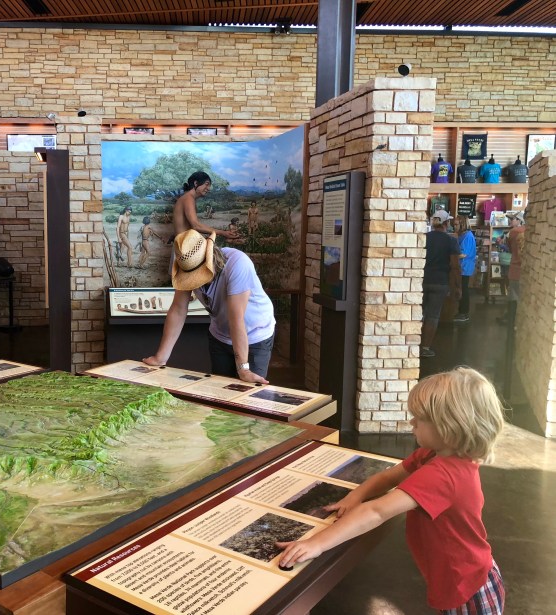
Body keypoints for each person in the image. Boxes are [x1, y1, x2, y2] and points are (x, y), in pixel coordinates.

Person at [276, 367, 506, 615]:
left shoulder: (443, 475)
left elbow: (377, 512)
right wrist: (356, 495)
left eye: (420, 418)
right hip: (463, 575)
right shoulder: (432, 454)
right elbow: (389, 476)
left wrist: (317, 544)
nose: (412, 422)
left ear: (449, 427)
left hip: (467, 585)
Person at [142, 229, 274, 383]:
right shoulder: (187, 262)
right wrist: (161, 357)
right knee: (220, 389)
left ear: (210, 258)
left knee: (247, 390)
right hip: (220, 334)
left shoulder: (238, 264)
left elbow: (236, 320)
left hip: (254, 334)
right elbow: (178, 309)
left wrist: (243, 369)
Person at [421, 210, 461, 358]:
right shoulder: (451, 241)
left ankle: (412, 345)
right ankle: (425, 348)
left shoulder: (424, 238)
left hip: (421, 281)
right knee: (432, 316)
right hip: (440, 282)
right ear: (446, 223)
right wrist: (458, 286)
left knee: (418, 314)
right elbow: (455, 266)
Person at [173, 171, 238, 240]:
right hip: (184, 244)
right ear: (196, 183)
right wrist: (222, 233)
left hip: (185, 242)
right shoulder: (188, 198)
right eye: (206, 184)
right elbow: (196, 226)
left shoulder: (187, 197)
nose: (208, 188)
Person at [497, 212, 525, 324]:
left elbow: (509, 248)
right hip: (521, 269)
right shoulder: (527, 231)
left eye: (513, 219)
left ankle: (510, 321)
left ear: (520, 220)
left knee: (512, 295)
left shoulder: (513, 232)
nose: (510, 221)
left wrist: (501, 244)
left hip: (513, 267)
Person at [453, 214, 477, 323]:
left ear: (462, 224)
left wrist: (451, 255)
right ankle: (461, 311)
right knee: (461, 289)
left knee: (464, 289)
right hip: (462, 267)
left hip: (465, 267)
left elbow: (463, 254)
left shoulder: (468, 236)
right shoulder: (462, 235)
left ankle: (464, 313)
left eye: (456, 224)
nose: (454, 226)